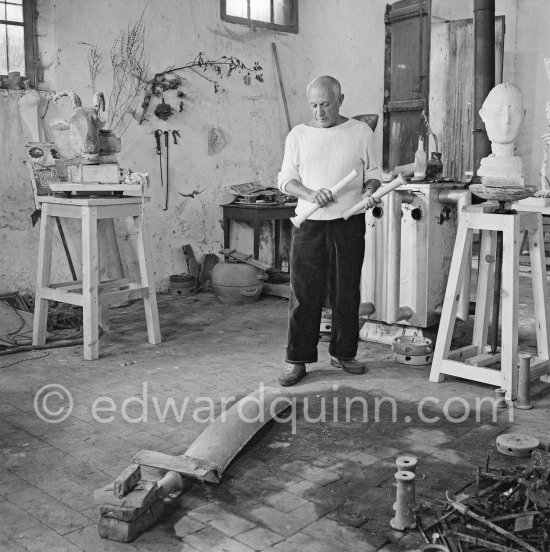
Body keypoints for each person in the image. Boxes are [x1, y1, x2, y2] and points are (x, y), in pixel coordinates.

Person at [276, 75, 382, 386]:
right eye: (313, 105)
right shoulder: (298, 135)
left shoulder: (360, 132)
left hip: (348, 222)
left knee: (346, 291)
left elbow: (373, 172)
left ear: (340, 100)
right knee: (303, 293)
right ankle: (297, 360)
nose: (319, 111)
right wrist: (310, 194)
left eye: (325, 104)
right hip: (308, 223)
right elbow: (285, 178)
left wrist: (370, 190)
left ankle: (344, 353)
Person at [478, 82, 526, 184]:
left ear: (523, 115)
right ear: (483, 115)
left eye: (514, 111)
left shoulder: (518, 165)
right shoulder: (487, 165)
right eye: (498, 110)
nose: (507, 120)